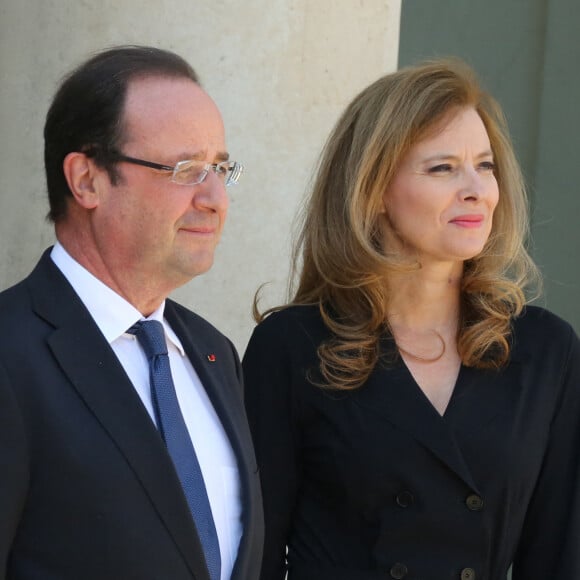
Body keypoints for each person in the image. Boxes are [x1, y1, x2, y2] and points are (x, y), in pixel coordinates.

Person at [243, 58, 580, 580]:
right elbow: (254, 556)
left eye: (485, 165)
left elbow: (560, 555)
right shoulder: (292, 346)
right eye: (442, 167)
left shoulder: (545, 350)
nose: (476, 189)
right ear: (374, 191)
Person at [0, 45, 263, 580]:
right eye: (187, 169)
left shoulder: (214, 354)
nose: (216, 198)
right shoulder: (11, 354)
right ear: (87, 180)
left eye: (220, 168)